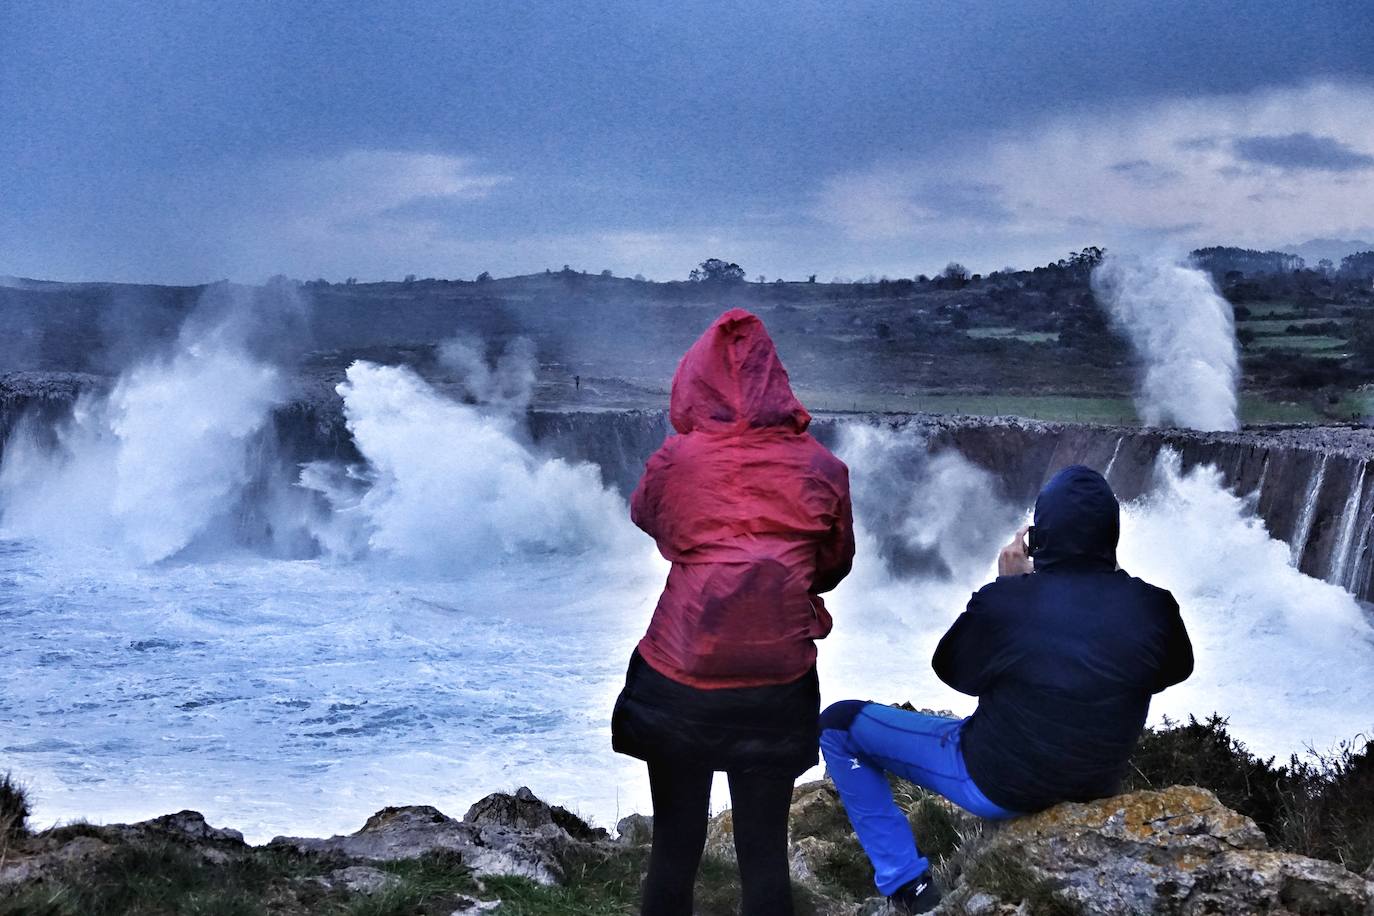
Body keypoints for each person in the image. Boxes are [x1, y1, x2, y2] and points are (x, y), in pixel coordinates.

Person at [819, 465, 1193, 913]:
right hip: (1097, 782)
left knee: (838, 725)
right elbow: (1173, 671)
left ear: (1039, 540)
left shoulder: (1009, 600)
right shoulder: (1154, 606)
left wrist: (1006, 587)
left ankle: (908, 886)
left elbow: (954, 671)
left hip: (999, 784)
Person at [613, 308, 855, 916]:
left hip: (679, 674)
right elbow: (834, 563)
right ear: (777, 380)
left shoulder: (679, 460)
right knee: (763, 851)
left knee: (675, 844)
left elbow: (649, 518)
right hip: (776, 684)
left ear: (695, 379)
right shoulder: (823, 468)